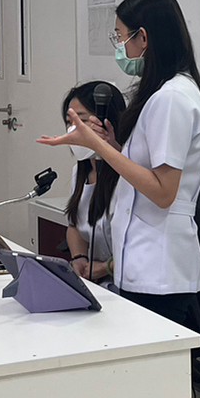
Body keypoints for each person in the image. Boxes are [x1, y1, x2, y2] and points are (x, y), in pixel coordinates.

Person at [37, 0, 200, 398]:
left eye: (120, 37)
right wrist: (104, 145)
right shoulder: (162, 95)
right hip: (146, 267)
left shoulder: (174, 99)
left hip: (161, 274)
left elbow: (162, 191)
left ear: (145, 37)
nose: (119, 47)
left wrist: (99, 147)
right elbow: (145, 169)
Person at [58, 80, 126, 283]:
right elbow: (75, 226)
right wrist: (79, 257)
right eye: (69, 122)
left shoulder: (130, 173)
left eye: (82, 120)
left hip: (129, 284)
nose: (73, 129)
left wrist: (106, 267)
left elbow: (148, 248)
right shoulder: (80, 171)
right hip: (97, 282)